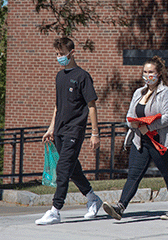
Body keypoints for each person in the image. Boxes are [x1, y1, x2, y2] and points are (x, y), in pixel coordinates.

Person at [102, 56, 168, 221]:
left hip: (159, 141)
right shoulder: (139, 92)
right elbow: (130, 114)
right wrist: (132, 124)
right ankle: (120, 207)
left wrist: (149, 127)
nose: (148, 75)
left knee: (167, 173)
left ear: (159, 73)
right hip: (140, 140)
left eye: (151, 72)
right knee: (133, 174)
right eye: (145, 72)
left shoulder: (166, 92)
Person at [35, 37, 102, 225]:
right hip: (59, 131)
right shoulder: (59, 76)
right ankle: (92, 198)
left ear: (72, 53)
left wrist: (95, 133)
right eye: (57, 54)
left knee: (63, 168)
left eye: (62, 54)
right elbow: (58, 106)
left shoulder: (83, 76)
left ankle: (55, 210)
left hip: (75, 130)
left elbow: (92, 105)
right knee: (73, 169)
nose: (59, 57)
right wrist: (51, 128)